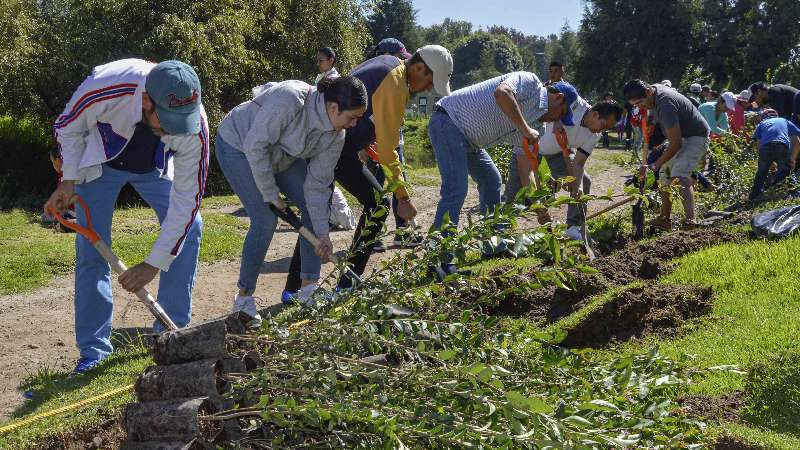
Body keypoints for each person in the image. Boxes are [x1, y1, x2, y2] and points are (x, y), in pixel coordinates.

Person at [44, 59, 208, 374]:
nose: (176, 128)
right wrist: (68, 178)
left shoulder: (193, 121)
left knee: (192, 228)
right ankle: (94, 351)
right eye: (169, 120)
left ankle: (169, 336)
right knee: (92, 249)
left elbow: (187, 202)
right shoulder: (107, 85)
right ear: (147, 101)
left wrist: (152, 264)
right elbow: (68, 125)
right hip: (101, 164)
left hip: (153, 167)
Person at [283, 45, 455, 295]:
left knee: (326, 210)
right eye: (430, 81)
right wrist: (403, 197)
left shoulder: (390, 64)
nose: (428, 88)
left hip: (340, 144)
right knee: (376, 205)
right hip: (334, 145)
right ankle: (340, 285)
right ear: (418, 68)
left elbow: (372, 116)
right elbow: (388, 148)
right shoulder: (395, 82)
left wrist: (365, 145)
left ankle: (299, 288)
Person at [216, 76, 368, 317]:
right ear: (333, 107)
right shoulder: (290, 98)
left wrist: (322, 235)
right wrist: (270, 194)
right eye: (352, 117)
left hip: (282, 156)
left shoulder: (336, 135)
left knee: (311, 206)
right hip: (239, 146)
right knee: (265, 219)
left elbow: (318, 186)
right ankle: (243, 300)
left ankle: (308, 290)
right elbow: (257, 145)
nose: (354, 124)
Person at [430, 74, 571, 231]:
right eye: (562, 113)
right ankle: (441, 248)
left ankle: (494, 242)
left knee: (491, 180)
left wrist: (539, 206)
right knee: (456, 188)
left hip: (471, 141)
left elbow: (526, 170)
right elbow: (502, 93)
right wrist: (525, 130)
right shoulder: (530, 83)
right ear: (558, 98)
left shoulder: (538, 128)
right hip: (449, 120)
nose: (557, 120)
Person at [504, 98, 624, 239]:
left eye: (607, 129)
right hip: (528, 148)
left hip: (558, 154)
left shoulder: (594, 135)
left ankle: (573, 227)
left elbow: (578, 163)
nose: (603, 131)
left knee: (584, 181)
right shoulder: (574, 104)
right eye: (604, 125)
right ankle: (501, 233)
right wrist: (556, 120)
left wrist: (576, 186)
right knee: (513, 195)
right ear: (595, 115)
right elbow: (550, 93)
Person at [623, 79, 710, 229]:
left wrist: (654, 165)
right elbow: (673, 138)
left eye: (640, 103)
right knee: (665, 175)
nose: (640, 107)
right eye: (635, 105)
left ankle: (691, 221)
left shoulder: (666, 104)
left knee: (680, 172)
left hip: (695, 136)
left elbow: (676, 144)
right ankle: (665, 219)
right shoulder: (653, 91)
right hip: (681, 136)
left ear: (649, 92)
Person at [371, 37, 421, 248]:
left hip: (393, 142)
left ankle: (402, 232)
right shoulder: (383, 78)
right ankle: (371, 237)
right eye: (400, 57)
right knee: (376, 188)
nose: (402, 62)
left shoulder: (398, 80)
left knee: (399, 184)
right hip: (376, 145)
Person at [749, 108, 800, 200]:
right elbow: (797, 140)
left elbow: (757, 143)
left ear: (763, 117)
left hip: (765, 148)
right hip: (782, 145)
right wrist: (792, 159)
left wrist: (766, 160)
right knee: (785, 171)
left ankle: (754, 196)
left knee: (761, 173)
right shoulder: (784, 120)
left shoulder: (761, 124)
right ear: (776, 115)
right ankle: (793, 194)